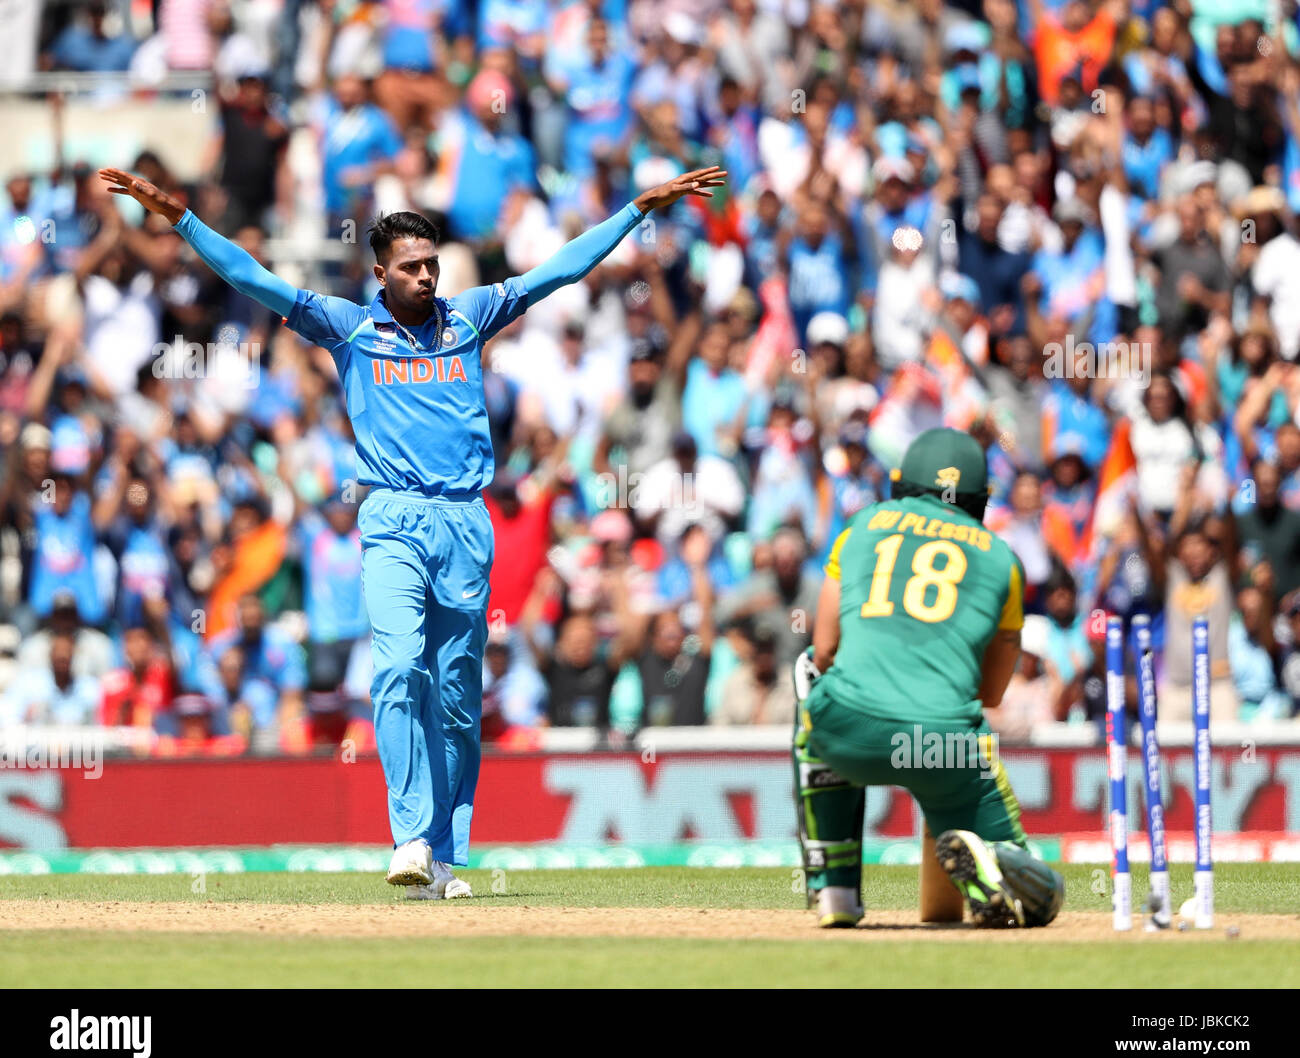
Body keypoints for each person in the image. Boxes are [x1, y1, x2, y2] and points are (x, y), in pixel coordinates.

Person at [99, 160, 726, 899]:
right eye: (411, 267)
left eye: (431, 264)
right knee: (399, 668)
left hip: (465, 518)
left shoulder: (471, 316)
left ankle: (449, 855)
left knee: (458, 694)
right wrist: (181, 218)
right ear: (379, 273)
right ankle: (410, 835)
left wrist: (636, 210)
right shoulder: (350, 328)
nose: (427, 277)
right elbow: (255, 280)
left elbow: (557, 271)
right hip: (391, 516)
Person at [794, 427, 1064, 929]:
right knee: (1026, 881)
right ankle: (1000, 866)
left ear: (901, 482)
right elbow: (990, 693)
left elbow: (826, 649)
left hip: (847, 729)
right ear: (980, 499)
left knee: (807, 673)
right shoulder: (1004, 560)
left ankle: (835, 889)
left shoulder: (862, 526)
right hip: (944, 746)